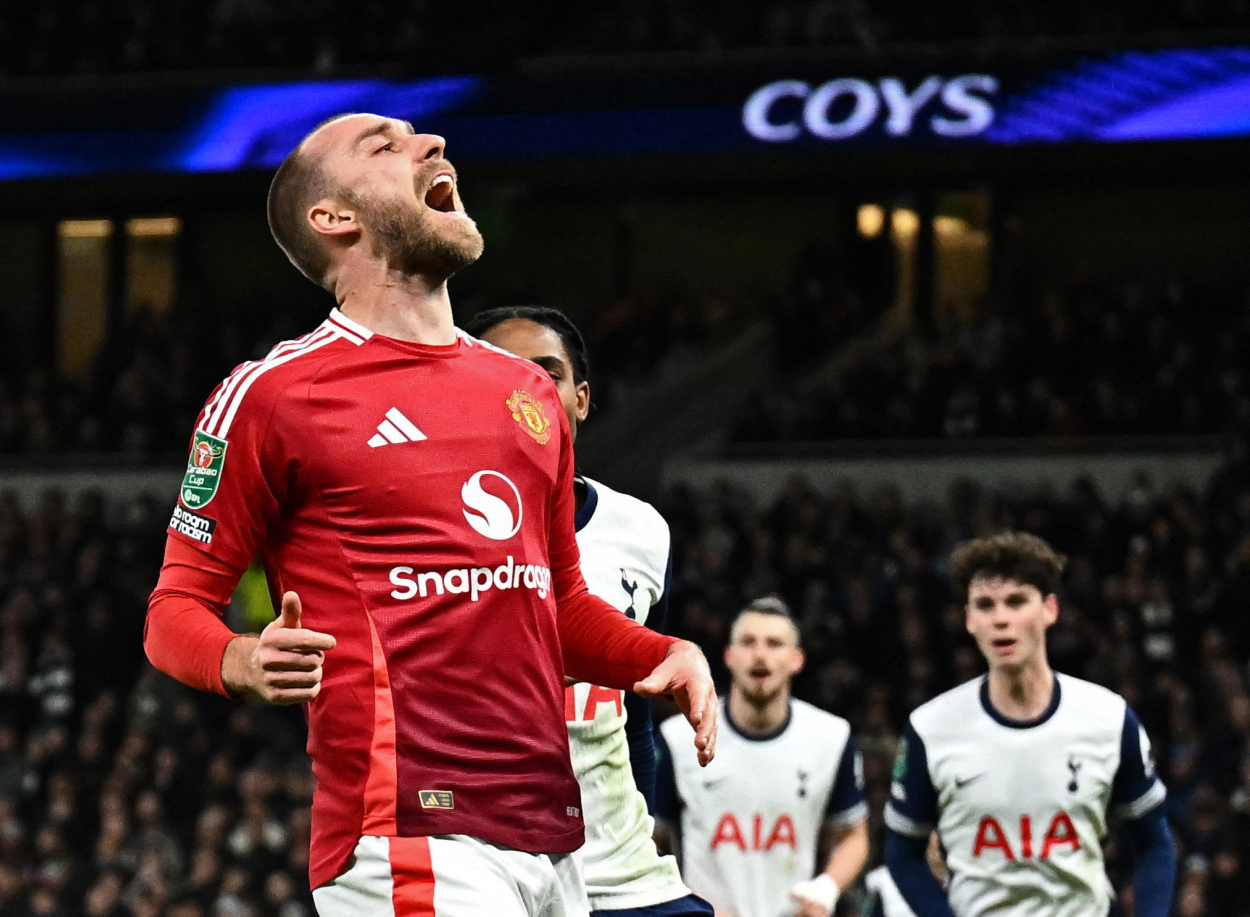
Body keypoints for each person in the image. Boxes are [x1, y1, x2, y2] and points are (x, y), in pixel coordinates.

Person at [143, 112, 717, 917]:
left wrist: (658, 653)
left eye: (422, 137)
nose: (431, 145)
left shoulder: (524, 396)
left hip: (553, 838)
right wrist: (241, 658)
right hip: (408, 831)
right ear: (333, 217)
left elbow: (556, 605)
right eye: (385, 146)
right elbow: (172, 611)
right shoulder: (273, 395)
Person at [466, 305, 713, 917]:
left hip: (620, 867)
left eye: (545, 374)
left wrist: (644, 824)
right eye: (502, 374)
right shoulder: (434, 529)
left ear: (580, 399)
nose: (525, 391)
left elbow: (636, 707)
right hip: (490, 859)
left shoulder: (642, 530)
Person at [884, 531, 1177, 916]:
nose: (1001, 619)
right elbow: (903, 853)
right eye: (985, 606)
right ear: (969, 620)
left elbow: (1155, 843)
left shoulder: (1108, 719)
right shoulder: (931, 729)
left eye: (1016, 602)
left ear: (1049, 610)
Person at [657, 596, 869, 917]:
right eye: (748, 642)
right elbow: (649, 843)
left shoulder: (830, 737)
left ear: (798, 659)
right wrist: (688, 904)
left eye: (774, 644)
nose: (760, 655)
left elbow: (854, 835)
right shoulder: (679, 738)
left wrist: (826, 888)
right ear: (728, 656)